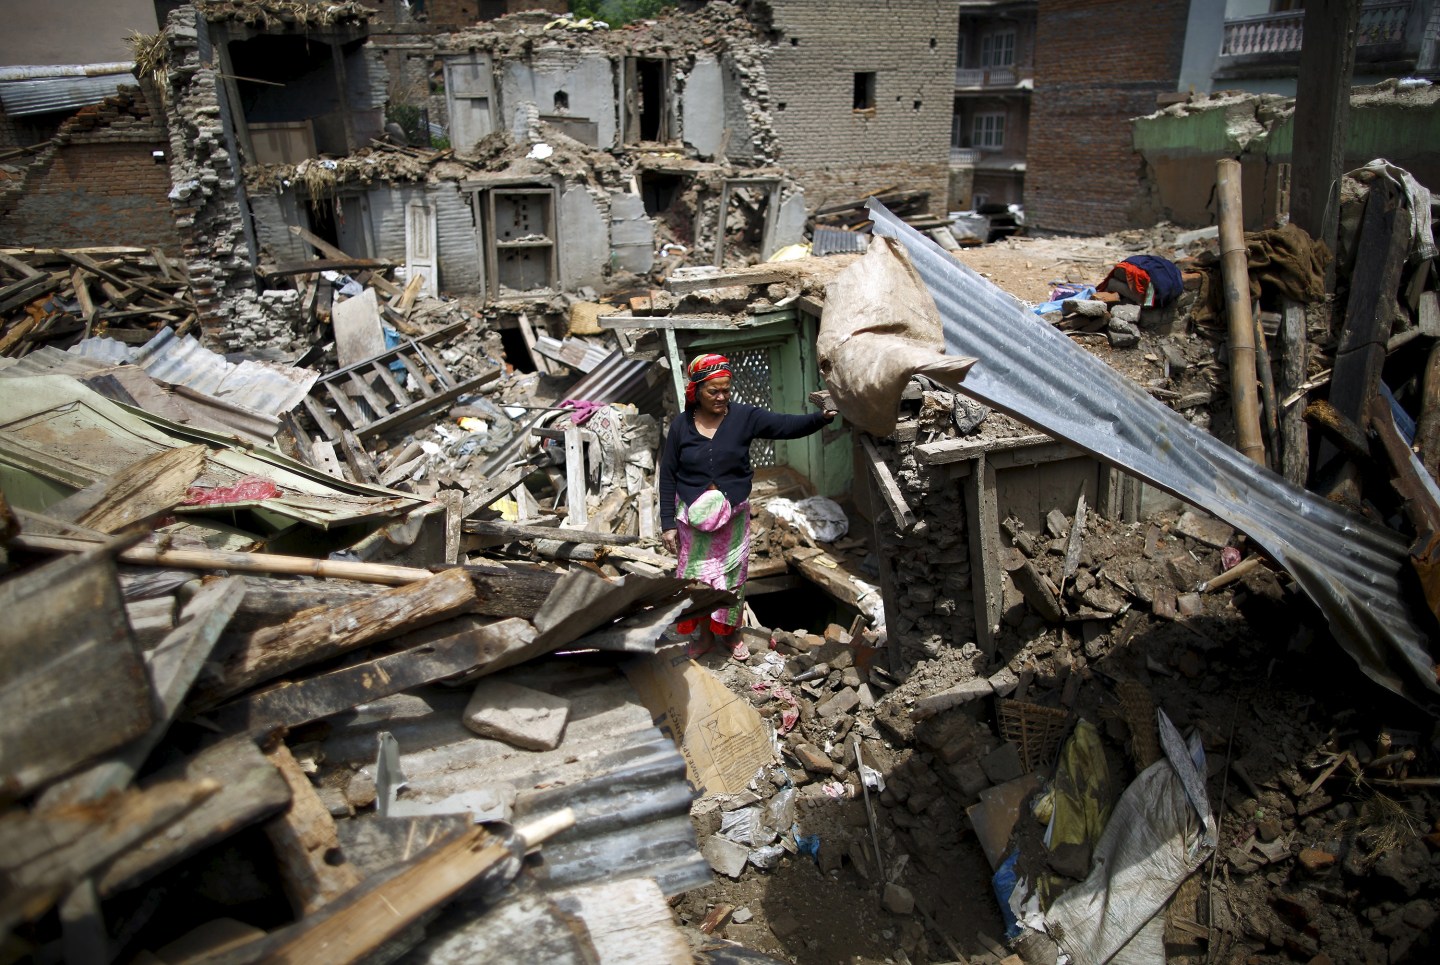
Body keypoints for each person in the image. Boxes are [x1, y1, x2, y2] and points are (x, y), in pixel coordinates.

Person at [659, 353, 834, 660]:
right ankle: (702, 635)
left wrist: (822, 418)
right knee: (694, 581)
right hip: (694, 524)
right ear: (696, 390)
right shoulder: (680, 427)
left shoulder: (744, 417)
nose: (722, 396)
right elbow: (668, 475)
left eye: (727, 389)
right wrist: (667, 525)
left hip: (732, 520)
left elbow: (785, 426)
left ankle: (728, 635)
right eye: (714, 391)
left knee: (731, 580)